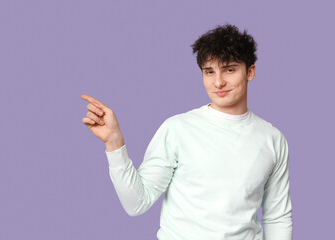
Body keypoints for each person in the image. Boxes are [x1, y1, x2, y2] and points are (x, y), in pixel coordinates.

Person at [81, 23, 293, 240]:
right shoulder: (177, 130)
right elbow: (137, 203)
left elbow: (277, 217)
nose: (218, 82)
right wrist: (114, 143)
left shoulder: (272, 139)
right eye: (209, 72)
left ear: (250, 72)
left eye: (229, 69)